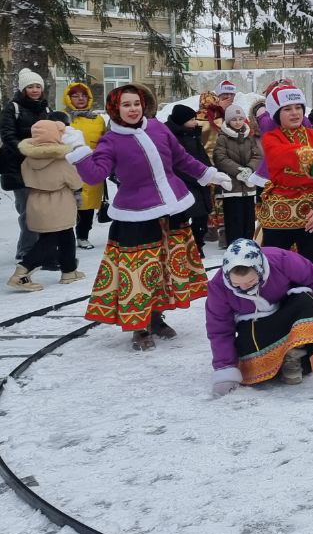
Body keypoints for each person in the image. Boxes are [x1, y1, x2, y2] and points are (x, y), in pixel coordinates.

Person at [66, 84, 233, 350]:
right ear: (115, 109)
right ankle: (138, 327)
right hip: (136, 215)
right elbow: (94, 175)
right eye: (126, 105)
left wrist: (209, 174)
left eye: (136, 103)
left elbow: (181, 159)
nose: (133, 109)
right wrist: (78, 150)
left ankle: (155, 317)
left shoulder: (157, 128)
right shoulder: (111, 140)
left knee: (165, 268)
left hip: (172, 209)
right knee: (138, 272)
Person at [206, 239, 313, 393]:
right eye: (237, 285)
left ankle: (295, 355)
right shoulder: (218, 287)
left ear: (260, 270)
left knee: (305, 298)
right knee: (254, 369)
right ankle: (269, 364)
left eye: (250, 282)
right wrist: (225, 368)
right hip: (253, 327)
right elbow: (219, 329)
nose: (244, 288)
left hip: (287, 315)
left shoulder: (281, 260)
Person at [257, 82, 313, 282]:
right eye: (287, 109)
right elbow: (284, 155)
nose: (294, 113)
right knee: (274, 270)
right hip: (279, 215)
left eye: (298, 108)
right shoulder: (271, 139)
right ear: (277, 113)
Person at [10, 119, 84, 290]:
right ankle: (22, 272)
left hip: (36, 200)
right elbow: (75, 181)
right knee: (50, 240)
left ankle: (69, 270)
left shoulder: (27, 159)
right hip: (59, 201)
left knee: (65, 235)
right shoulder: (60, 159)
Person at [1, 68, 51, 266]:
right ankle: (25, 251)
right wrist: (26, 150)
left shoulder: (45, 109)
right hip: (18, 167)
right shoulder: (12, 108)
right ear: (23, 89)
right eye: (30, 86)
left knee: (42, 209)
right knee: (27, 210)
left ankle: (41, 249)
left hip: (42, 167)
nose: (35, 90)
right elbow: (7, 135)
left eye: (38, 86)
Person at [63, 82, 107, 249]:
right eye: (75, 95)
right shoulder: (62, 117)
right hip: (68, 168)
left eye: (83, 95)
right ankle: (64, 238)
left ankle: (82, 236)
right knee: (66, 204)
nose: (80, 99)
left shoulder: (98, 119)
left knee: (87, 205)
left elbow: (105, 141)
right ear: (68, 98)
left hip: (91, 167)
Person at [211, 105, 263, 245]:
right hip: (232, 186)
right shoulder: (223, 138)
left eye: (240, 119)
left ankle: (249, 245)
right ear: (228, 121)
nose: (238, 122)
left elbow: (257, 155)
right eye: (234, 119)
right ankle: (235, 246)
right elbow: (220, 158)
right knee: (234, 219)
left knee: (249, 219)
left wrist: (250, 169)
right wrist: (239, 171)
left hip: (248, 186)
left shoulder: (249, 136)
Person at [166, 104, 213, 255]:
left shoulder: (193, 134)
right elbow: (178, 162)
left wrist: (208, 171)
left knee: (202, 217)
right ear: (181, 121)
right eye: (192, 119)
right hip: (183, 182)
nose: (196, 122)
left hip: (199, 181)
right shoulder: (173, 136)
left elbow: (201, 155)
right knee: (183, 218)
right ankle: (183, 248)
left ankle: (197, 245)